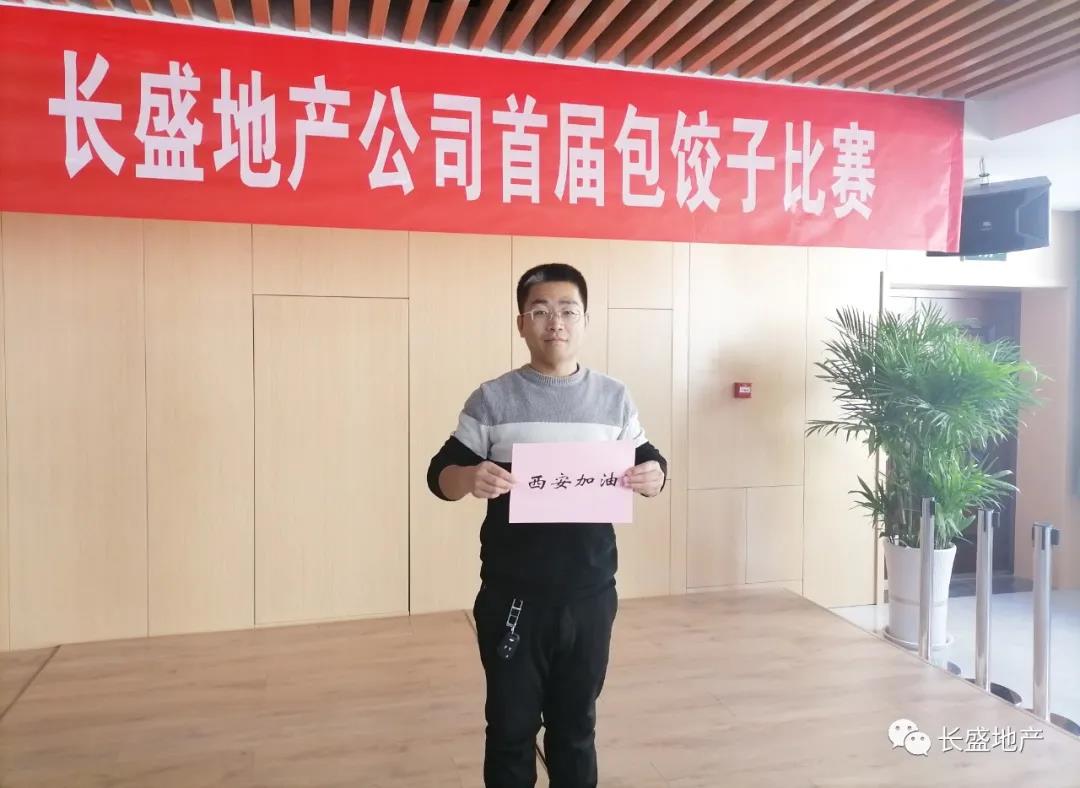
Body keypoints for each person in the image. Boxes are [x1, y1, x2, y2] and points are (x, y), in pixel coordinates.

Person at [426, 262, 668, 788]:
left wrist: (654, 476)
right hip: (514, 597)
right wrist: (469, 477)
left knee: (576, 727)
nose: (554, 322)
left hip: (590, 595)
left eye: (567, 311)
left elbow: (650, 461)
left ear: (584, 321)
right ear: (521, 324)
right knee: (510, 730)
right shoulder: (492, 398)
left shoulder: (614, 398)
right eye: (539, 311)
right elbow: (439, 474)